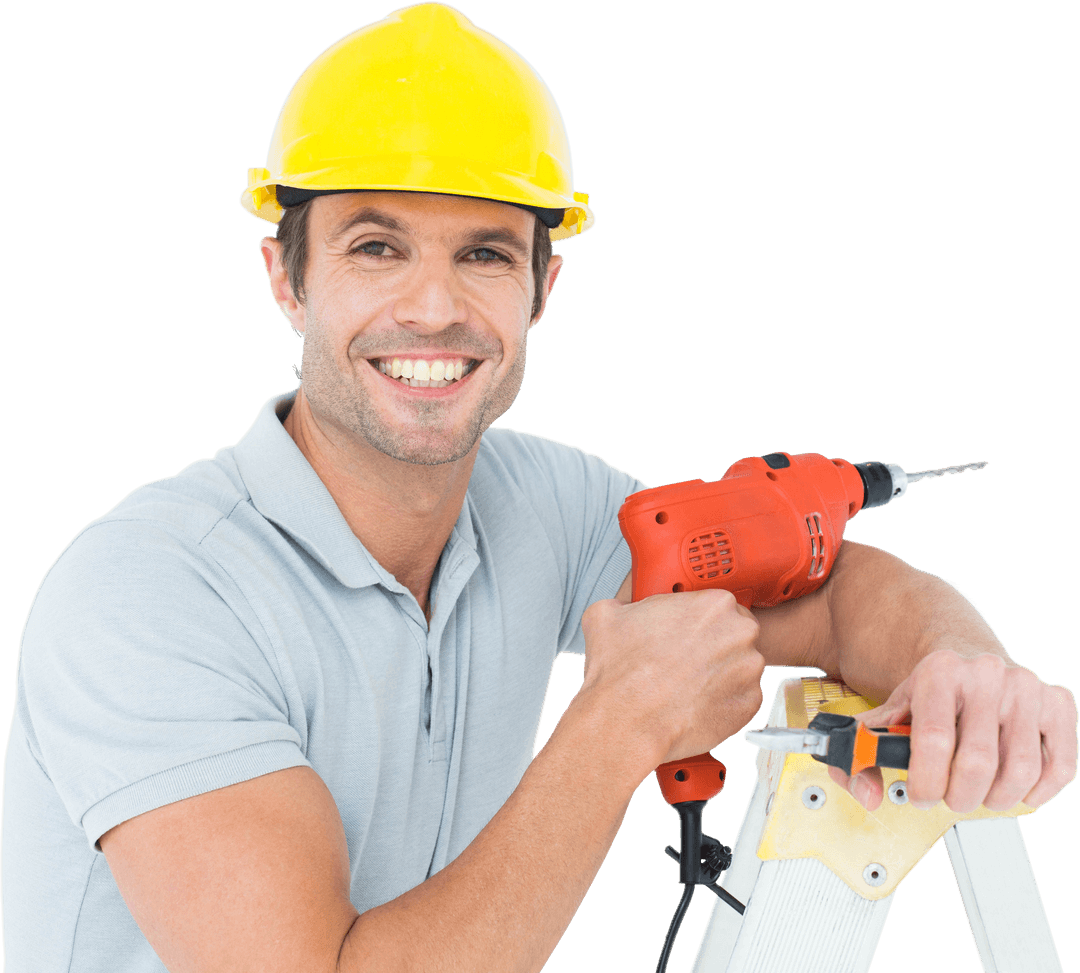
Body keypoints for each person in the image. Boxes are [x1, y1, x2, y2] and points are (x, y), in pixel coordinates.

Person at [2, 3, 1075, 970]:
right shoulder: (147, 594)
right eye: (376, 247)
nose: (434, 308)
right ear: (287, 276)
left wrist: (960, 664)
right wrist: (616, 728)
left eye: (483, 255)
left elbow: (831, 591)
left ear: (541, 288)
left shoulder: (549, 505)